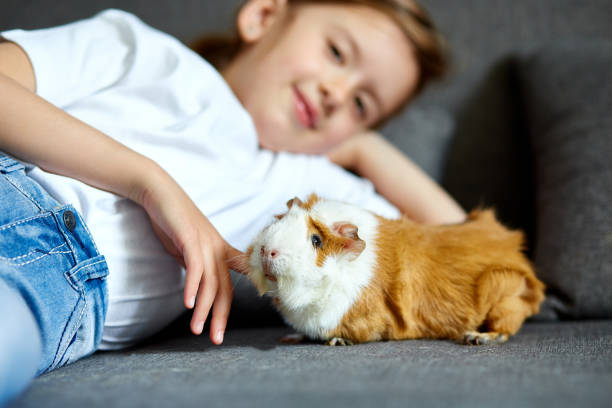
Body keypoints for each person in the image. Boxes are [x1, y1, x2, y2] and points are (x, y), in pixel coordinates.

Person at [0, 0, 465, 404]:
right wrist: (149, 181)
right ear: (264, 16)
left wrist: (365, 148)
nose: (336, 95)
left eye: (362, 105)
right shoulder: (145, 52)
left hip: (48, 290)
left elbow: (459, 245)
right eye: (336, 53)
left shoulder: (300, 190)